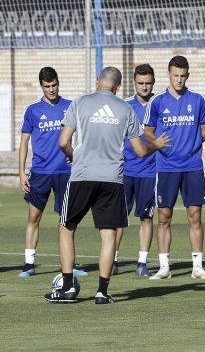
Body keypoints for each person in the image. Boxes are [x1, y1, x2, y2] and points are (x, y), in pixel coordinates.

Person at [45, 67, 169, 304]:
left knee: (66, 227)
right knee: (109, 235)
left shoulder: (80, 103)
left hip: (82, 176)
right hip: (112, 179)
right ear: (118, 87)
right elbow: (141, 151)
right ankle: (102, 292)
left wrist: (74, 154)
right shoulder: (126, 109)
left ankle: (68, 287)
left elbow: (63, 142)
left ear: (97, 82)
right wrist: (156, 145)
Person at [143, 56, 205, 280]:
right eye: (175, 76)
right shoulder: (158, 102)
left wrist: (190, 145)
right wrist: (157, 144)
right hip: (166, 167)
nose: (179, 80)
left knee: (195, 216)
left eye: (183, 76)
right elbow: (147, 131)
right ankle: (164, 266)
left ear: (188, 75)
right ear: (169, 74)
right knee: (164, 216)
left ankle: (197, 267)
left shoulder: (198, 100)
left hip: (192, 166)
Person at [18, 67, 82, 277]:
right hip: (40, 172)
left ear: (58, 83)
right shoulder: (32, 110)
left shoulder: (70, 106)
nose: (51, 89)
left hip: (65, 172)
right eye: (47, 86)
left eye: (54, 85)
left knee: (67, 220)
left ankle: (70, 265)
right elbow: (24, 142)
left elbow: (81, 134)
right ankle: (29, 264)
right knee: (34, 217)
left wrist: (76, 153)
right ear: (41, 86)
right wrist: (21, 172)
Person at [117, 64, 157, 277]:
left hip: (150, 172)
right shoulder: (124, 106)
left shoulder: (158, 105)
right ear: (134, 83)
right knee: (118, 218)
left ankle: (142, 262)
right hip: (125, 171)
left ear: (153, 83)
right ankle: (112, 258)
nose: (144, 87)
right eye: (140, 83)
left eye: (148, 83)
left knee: (146, 217)